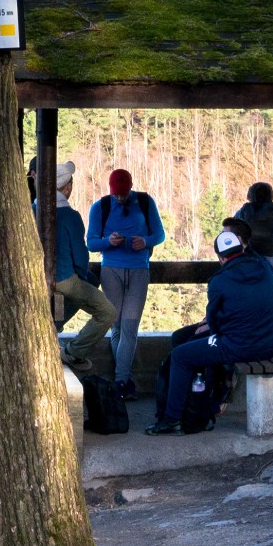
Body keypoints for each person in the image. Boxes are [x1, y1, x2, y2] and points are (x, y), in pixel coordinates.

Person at [146, 219, 273, 435]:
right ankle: (201, 402)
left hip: (241, 344)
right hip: (271, 341)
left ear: (220, 257)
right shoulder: (263, 267)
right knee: (185, 339)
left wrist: (213, 329)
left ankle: (172, 420)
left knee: (180, 355)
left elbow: (213, 322)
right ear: (241, 248)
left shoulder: (219, 280)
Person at [87, 168, 165, 397]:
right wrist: (108, 241)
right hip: (111, 270)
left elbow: (159, 234)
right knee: (117, 326)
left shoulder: (145, 202)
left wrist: (146, 241)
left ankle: (120, 381)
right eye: (116, 194)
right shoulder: (100, 207)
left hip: (139, 270)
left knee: (130, 327)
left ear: (131, 187)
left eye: (123, 193)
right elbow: (91, 243)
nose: (120, 198)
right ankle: (124, 382)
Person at [36, 160, 118, 370]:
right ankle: (73, 352)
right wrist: (80, 277)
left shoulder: (34, 208)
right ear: (67, 187)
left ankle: (55, 326)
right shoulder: (69, 216)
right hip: (63, 277)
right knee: (106, 312)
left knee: (85, 284)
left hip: (36, 277)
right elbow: (81, 257)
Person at [232, 182, 273, 278]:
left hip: (247, 266)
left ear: (250, 195)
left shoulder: (241, 213)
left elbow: (233, 239)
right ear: (271, 195)